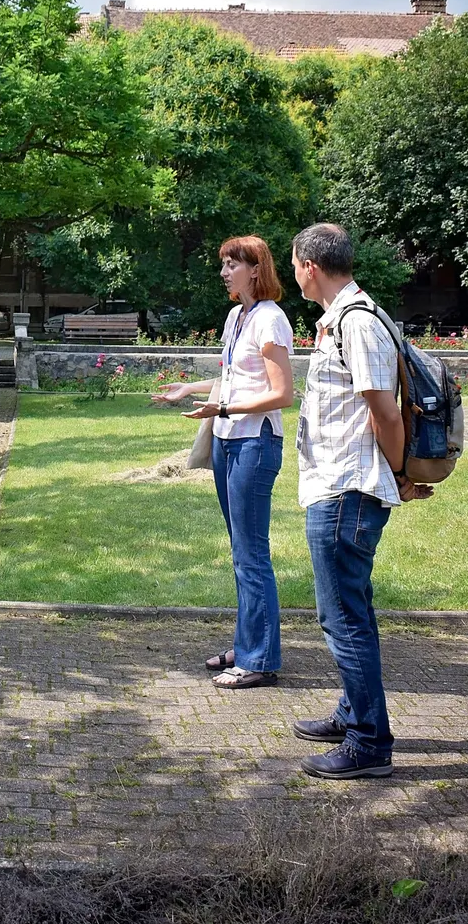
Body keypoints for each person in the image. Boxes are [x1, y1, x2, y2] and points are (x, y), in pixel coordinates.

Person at [288, 222, 431, 781]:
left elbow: (386, 412)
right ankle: (353, 714)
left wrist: (396, 475)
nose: (294, 271)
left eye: (294, 263)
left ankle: (370, 742)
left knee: (343, 617)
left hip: (347, 490)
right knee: (352, 610)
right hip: (338, 485)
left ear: (309, 267)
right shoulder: (343, 321)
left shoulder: (358, 323)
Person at [153, 236, 294, 690]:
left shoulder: (271, 319)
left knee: (252, 555)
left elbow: (281, 394)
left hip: (255, 443)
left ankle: (259, 660)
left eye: (231, 264)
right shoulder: (237, 316)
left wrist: (224, 411)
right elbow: (235, 377)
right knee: (241, 552)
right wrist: (190, 390)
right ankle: (248, 642)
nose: (223, 271)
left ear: (255, 269)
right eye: (224, 264)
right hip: (228, 441)